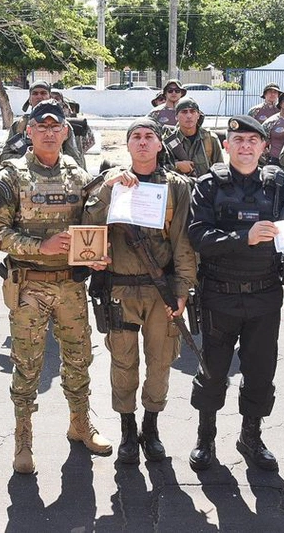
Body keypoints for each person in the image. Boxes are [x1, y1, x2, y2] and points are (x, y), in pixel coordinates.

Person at [0, 98, 113, 474]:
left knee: (79, 359)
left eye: (56, 127)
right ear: (29, 132)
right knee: (26, 365)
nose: (49, 132)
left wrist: (95, 253)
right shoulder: (11, 177)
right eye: (41, 127)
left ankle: (80, 423)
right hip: (29, 286)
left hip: (71, 286)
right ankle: (23, 440)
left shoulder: (77, 173)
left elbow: (91, 227)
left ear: (65, 132)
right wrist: (37, 246)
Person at [186, 115, 284, 472]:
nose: (245, 146)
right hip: (219, 295)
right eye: (238, 140)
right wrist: (244, 237)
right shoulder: (208, 184)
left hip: (265, 294)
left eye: (253, 141)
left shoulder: (277, 186)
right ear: (227, 145)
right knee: (213, 370)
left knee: (260, 370)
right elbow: (198, 236)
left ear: (264, 147)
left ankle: (250, 436)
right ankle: (205, 437)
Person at [82, 118, 197, 464]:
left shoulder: (176, 186)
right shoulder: (110, 182)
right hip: (120, 289)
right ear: (128, 145)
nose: (143, 142)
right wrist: (108, 189)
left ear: (160, 145)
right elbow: (88, 227)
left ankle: (152, 424)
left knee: (161, 362)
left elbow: (184, 242)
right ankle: (128, 427)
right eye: (136, 137)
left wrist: (182, 290)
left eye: (150, 137)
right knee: (123, 361)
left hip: (160, 291)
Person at [0, 80, 84, 167]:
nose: (39, 96)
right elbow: (4, 157)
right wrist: (30, 159)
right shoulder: (19, 126)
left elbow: (76, 160)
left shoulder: (63, 126)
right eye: (35, 93)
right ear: (30, 99)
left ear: (50, 97)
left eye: (43, 93)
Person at [163, 96, 223, 178]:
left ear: (198, 115)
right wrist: (176, 166)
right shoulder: (169, 141)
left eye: (192, 111)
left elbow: (221, 169)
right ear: (176, 116)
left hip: (206, 189)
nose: (189, 115)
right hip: (180, 189)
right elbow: (159, 168)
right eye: (184, 112)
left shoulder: (210, 139)